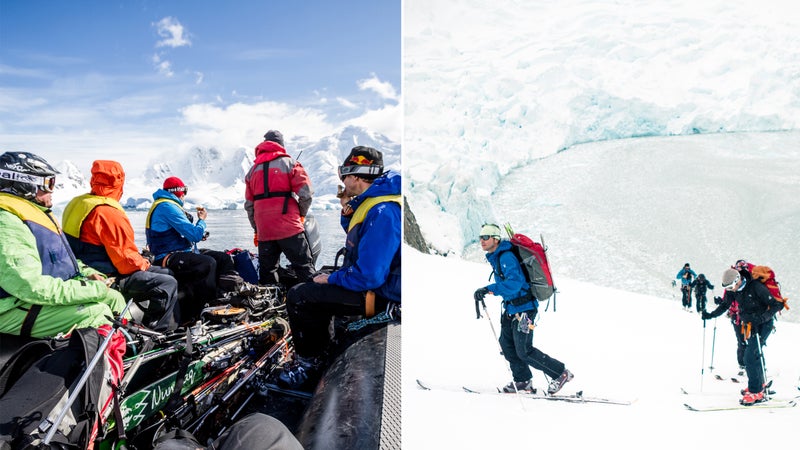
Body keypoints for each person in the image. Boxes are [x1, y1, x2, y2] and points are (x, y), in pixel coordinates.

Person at [279, 146, 401, 389]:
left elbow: (370, 275)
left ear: (355, 176)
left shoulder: (382, 211)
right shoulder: (376, 204)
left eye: (344, 176)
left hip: (383, 294)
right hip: (380, 286)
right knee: (318, 282)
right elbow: (362, 244)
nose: (343, 182)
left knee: (299, 296)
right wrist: (348, 211)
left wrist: (332, 279)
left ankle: (309, 364)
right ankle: (324, 348)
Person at [0, 151, 127, 338]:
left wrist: (88, 273)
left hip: (30, 298)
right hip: (10, 306)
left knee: (114, 298)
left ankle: (131, 348)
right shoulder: (7, 222)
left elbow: (59, 258)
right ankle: (99, 364)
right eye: (49, 184)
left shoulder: (34, 214)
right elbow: (29, 286)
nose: (53, 190)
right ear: (25, 184)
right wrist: (93, 290)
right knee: (96, 313)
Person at [62, 160, 180, 332]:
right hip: (107, 276)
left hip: (82, 268)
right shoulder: (108, 212)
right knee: (168, 282)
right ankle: (157, 332)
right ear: (119, 183)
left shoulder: (78, 203)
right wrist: (145, 262)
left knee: (165, 272)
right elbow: (127, 264)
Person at [473, 223, 574, 395]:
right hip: (512, 309)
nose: (482, 241)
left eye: (486, 237)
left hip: (525, 310)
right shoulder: (497, 256)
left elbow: (515, 283)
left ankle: (560, 373)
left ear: (495, 239)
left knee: (524, 350)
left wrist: (490, 289)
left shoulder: (505, 257)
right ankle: (523, 381)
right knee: (507, 345)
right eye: (481, 237)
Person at [145, 176, 241, 320]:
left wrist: (197, 233)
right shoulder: (167, 206)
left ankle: (225, 297)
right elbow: (194, 235)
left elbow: (186, 234)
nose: (184, 195)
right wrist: (201, 220)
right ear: (180, 192)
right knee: (207, 263)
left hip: (180, 251)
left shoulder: (167, 204)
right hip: (165, 256)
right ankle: (203, 308)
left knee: (223, 258)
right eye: (184, 191)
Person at [702, 266, 783, 405]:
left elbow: (777, 305)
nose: (730, 290)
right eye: (727, 288)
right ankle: (759, 385)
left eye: (731, 286)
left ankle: (756, 392)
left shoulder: (756, 287)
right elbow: (725, 305)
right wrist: (710, 315)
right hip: (751, 325)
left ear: (738, 280)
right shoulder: (733, 290)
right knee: (753, 354)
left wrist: (761, 318)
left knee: (750, 356)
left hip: (764, 324)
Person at [244, 130, 315, 285]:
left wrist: (257, 229)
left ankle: (270, 305)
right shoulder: (290, 163)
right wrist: (300, 214)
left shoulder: (252, 171)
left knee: (267, 271)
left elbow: (249, 205)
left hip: (265, 229)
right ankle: (314, 304)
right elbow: (306, 193)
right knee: (303, 267)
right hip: (289, 226)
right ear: (281, 145)